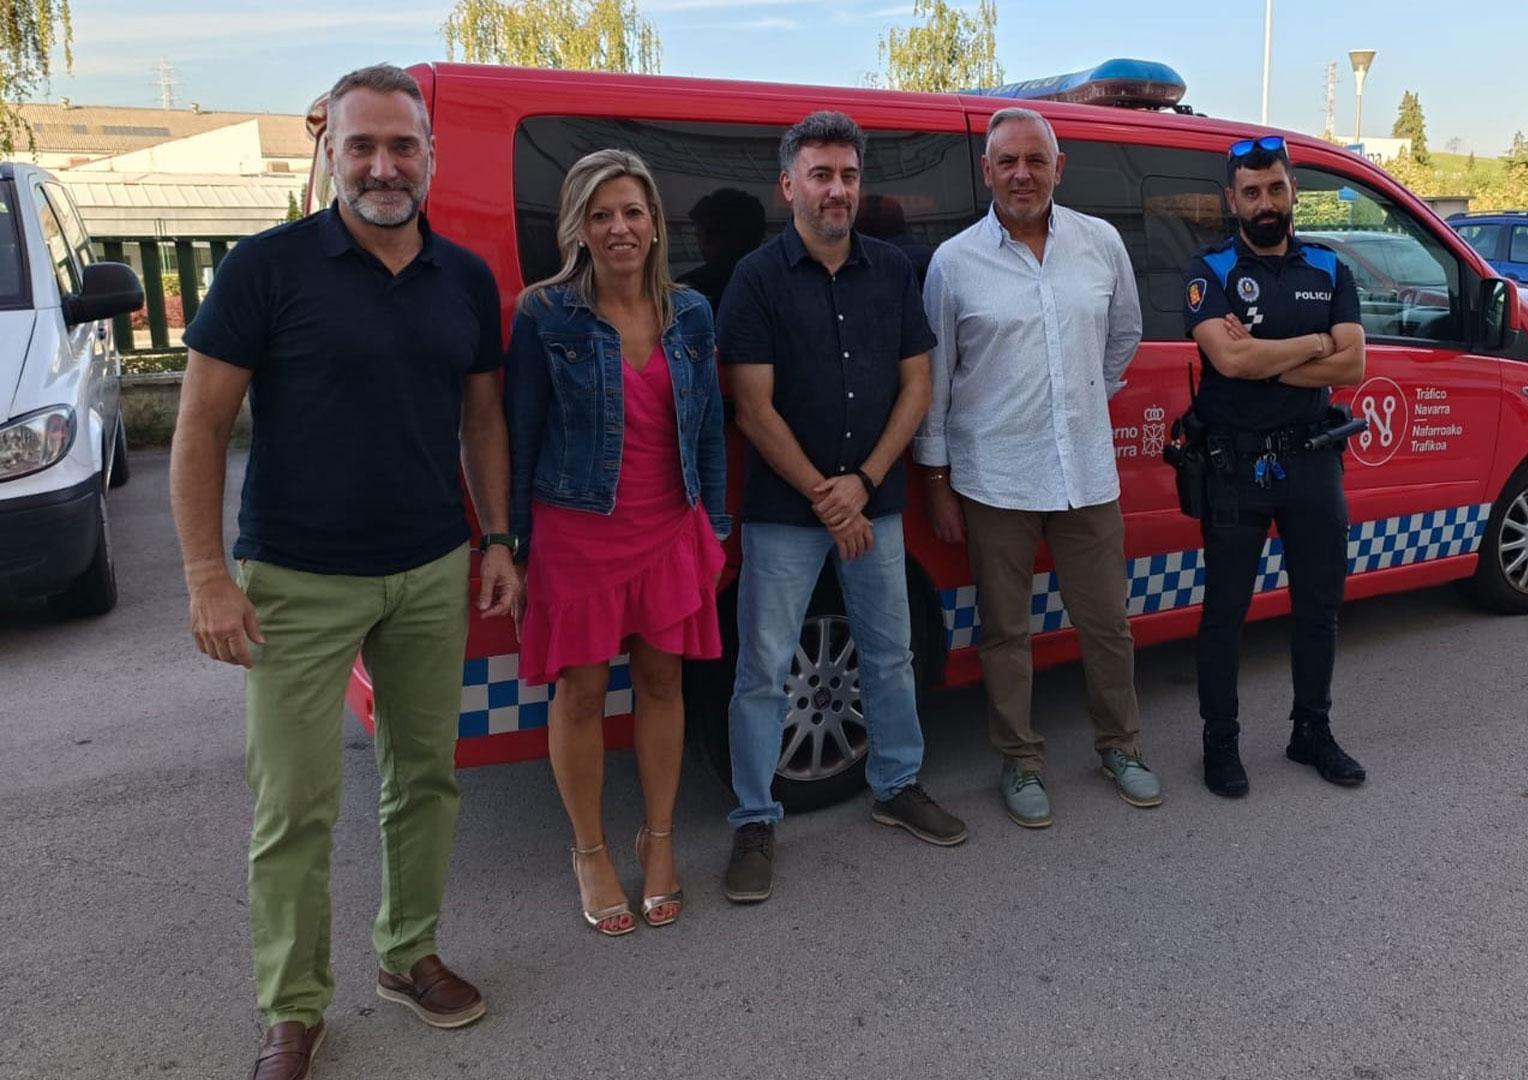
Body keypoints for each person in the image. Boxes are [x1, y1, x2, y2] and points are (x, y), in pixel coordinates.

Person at [169, 64, 509, 1080]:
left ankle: (407, 958)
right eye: (360, 145)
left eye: (402, 146)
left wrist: (497, 537)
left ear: (431, 159)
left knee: (426, 779)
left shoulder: (467, 279)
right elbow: (200, 424)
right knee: (296, 806)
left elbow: (482, 417)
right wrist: (204, 575)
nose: (382, 165)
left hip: (430, 567)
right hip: (297, 581)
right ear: (328, 155)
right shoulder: (266, 269)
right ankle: (293, 1008)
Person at [717, 110, 967, 904]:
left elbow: (918, 385)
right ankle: (755, 818)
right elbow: (753, 409)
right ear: (788, 184)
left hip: (875, 501)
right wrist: (832, 498)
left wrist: (862, 482)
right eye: (821, 175)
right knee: (761, 671)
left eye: (849, 176)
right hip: (785, 514)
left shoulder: (893, 270)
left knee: (890, 654)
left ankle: (898, 786)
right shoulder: (755, 278)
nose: (837, 190)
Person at [505, 149, 728, 937]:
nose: (619, 228)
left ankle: (658, 839)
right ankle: (591, 850)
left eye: (632, 211)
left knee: (664, 685)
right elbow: (517, 433)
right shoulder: (545, 314)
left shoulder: (693, 314)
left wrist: (717, 527)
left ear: (655, 224)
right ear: (578, 228)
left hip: (670, 525)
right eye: (600, 215)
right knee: (583, 693)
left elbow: (710, 432)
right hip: (576, 531)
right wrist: (511, 544)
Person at [915, 107, 1156, 828]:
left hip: (1085, 470)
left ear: (1059, 167)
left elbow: (1126, 334)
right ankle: (1019, 761)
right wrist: (936, 478)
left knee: (1107, 623)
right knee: (1005, 631)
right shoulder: (954, 263)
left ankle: (1121, 746)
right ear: (986, 171)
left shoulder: (1101, 243)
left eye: (1035, 160)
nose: (1023, 174)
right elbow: (937, 375)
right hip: (995, 478)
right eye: (1008, 162)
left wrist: (1080, 397)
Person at [1182, 135, 1368, 798]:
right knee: (1225, 613)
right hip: (1235, 467)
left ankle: (1310, 731)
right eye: (1252, 191)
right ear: (1232, 200)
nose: (1266, 202)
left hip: (1314, 465)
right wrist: (1315, 346)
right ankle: (1220, 743)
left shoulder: (1329, 267)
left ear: (1294, 193)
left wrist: (1273, 351)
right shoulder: (1212, 269)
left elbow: (1354, 363)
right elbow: (1229, 362)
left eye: (1277, 188)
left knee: (1320, 607)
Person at [677, 187, 767, 309]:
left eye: (698, 232)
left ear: (709, 235)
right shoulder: (777, 284)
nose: (697, 238)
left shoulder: (687, 290)